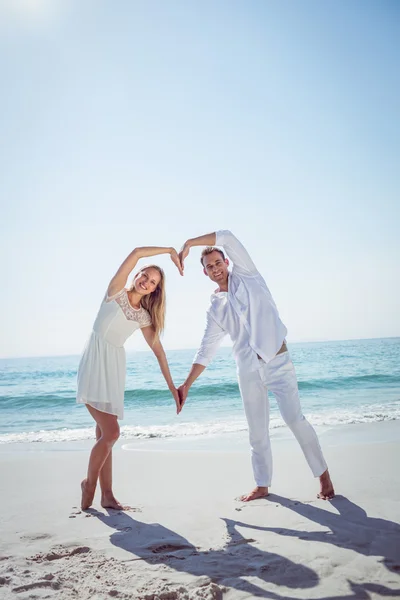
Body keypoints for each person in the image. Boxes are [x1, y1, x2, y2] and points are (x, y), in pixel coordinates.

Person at [177, 230, 335, 502]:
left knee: (294, 419)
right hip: (248, 370)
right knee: (256, 430)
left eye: (217, 262)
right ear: (204, 273)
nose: (214, 268)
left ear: (226, 262)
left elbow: (225, 236)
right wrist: (186, 385)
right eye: (208, 267)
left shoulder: (248, 275)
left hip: (277, 360)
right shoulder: (215, 307)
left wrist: (190, 244)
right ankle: (262, 485)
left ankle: (324, 477)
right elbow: (206, 349)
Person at [77, 245, 183, 510]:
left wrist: (173, 387)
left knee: (104, 434)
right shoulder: (115, 292)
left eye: (153, 283)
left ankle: (107, 495)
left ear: (155, 290)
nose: (146, 282)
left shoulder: (144, 317)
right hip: (95, 362)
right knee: (111, 433)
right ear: (136, 275)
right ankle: (88, 484)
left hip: (113, 369)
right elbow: (136, 252)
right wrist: (169, 250)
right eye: (145, 276)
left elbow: (159, 352)